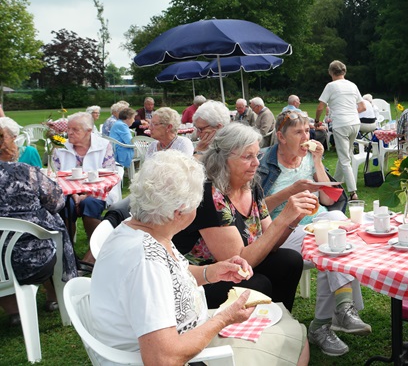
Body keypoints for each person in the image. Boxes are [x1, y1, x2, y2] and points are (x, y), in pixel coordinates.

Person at [90, 150, 310, 366]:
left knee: (283, 322)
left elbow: (173, 277)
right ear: (179, 213)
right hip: (188, 354)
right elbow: (163, 359)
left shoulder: (138, 228)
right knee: (295, 338)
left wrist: (211, 272)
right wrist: (224, 319)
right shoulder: (146, 261)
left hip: (189, 331)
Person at [258, 111, 371, 356]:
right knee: (328, 244)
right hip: (283, 227)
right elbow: (254, 210)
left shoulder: (309, 157)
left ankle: (332, 316)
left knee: (338, 222)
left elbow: (328, 197)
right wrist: (290, 192)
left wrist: (318, 162)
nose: (305, 136)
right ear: (281, 136)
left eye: (307, 131)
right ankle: (331, 317)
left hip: (315, 220)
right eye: (298, 132)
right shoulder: (265, 163)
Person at [172, 124, 313, 311]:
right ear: (223, 160)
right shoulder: (210, 194)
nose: (256, 163)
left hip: (237, 267)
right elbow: (236, 261)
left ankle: (280, 320)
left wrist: (293, 219)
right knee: (257, 284)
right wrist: (283, 218)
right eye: (248, 156)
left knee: (289, 261)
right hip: (202, 277)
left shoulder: (251, 185)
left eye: (257, 155)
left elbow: (270, 242)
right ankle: (256, 329)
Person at [0, 137, 76, 326]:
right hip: (33, 261)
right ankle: (53, 296)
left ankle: (14, 310)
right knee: (45, 235)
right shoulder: (24, 171)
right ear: (7, 147)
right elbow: (57, 202)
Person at [52, 112, 117, 263]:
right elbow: (54, 175)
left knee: (90, 204)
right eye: (68, 129)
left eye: (75, 130)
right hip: (66, 192)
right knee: (65, 205)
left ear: (89, 131)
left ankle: (95, 249)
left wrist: (85, 195)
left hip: (97, 193)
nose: (69, 133)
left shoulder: (103, 145)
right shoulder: (60, 146)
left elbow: (110, 175)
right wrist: (73, 194)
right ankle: (68, 252)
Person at [315, 60, 366, 201]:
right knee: (345, 156)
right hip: (355, 124)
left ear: (330, 72)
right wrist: (350, 112)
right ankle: (334, 184)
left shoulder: (330, 86)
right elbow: (362, 107)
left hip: (341, 124)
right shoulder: (352, 85)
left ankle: (353, 192)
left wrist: (316, 121)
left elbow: (320, 107)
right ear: (344, 72)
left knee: (344, 159)